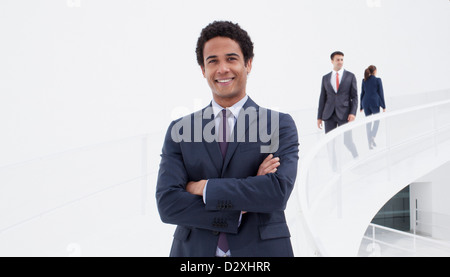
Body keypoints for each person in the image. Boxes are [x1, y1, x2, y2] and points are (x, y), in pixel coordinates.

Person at [156, 21, 299, 257]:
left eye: (231, 58)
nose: (222, 69)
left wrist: (203, 188)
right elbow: (168, 204)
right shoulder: (180, 129)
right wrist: (243, 200)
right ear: (203, 69)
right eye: (213, 61)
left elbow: (276, 193)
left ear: (248, 64)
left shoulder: (278, 125)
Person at [317, 51, 359, 158]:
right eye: (337, 60)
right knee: (330, 143)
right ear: (332, 61)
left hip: (345, 115)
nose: (340, 62)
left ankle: (357, 158)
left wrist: (353, 113)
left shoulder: (350, 76)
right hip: (329, 115)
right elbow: (322, 98)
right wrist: (319, 117)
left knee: (348, 141)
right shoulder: (325, 78)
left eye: (341, 59)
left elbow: (354, 97)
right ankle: (334, 168)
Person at [360, 65, 386, 149]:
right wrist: (383, 106)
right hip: (374, 103)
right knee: (377, 120)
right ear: (374, 71)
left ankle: (369, 143)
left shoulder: (364, 80)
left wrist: (361, 106)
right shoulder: (378, 80)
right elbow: (381, 93)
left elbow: (362, 93)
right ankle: (372, 137)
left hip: (365, 103)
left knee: (368, 122)